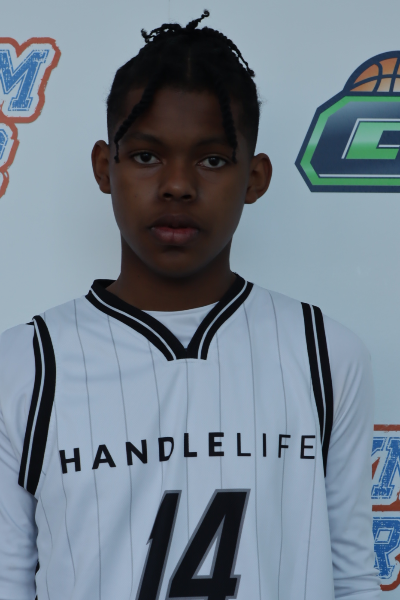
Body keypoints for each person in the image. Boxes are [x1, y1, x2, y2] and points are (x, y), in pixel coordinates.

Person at [0, 11, 380, 600]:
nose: (177, 185)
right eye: (146, 156)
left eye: (212, 160)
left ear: (255, 178)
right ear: (104, 167)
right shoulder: (24, 365)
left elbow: (352, 577)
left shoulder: (325, 354)